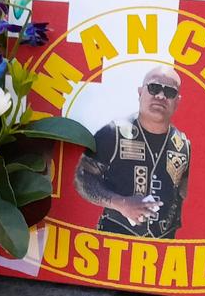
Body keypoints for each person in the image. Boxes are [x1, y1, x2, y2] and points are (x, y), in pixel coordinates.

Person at [74, 65, 191, 239]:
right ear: (140, 92)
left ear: (177, 101)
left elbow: (184, 193)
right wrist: (120, 204)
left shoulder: (183, 145)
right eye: (154, 87)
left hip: (164, 248)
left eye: (170, 92)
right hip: (115, 240)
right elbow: (83, 178)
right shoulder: (113, 133)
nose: (160, 96)